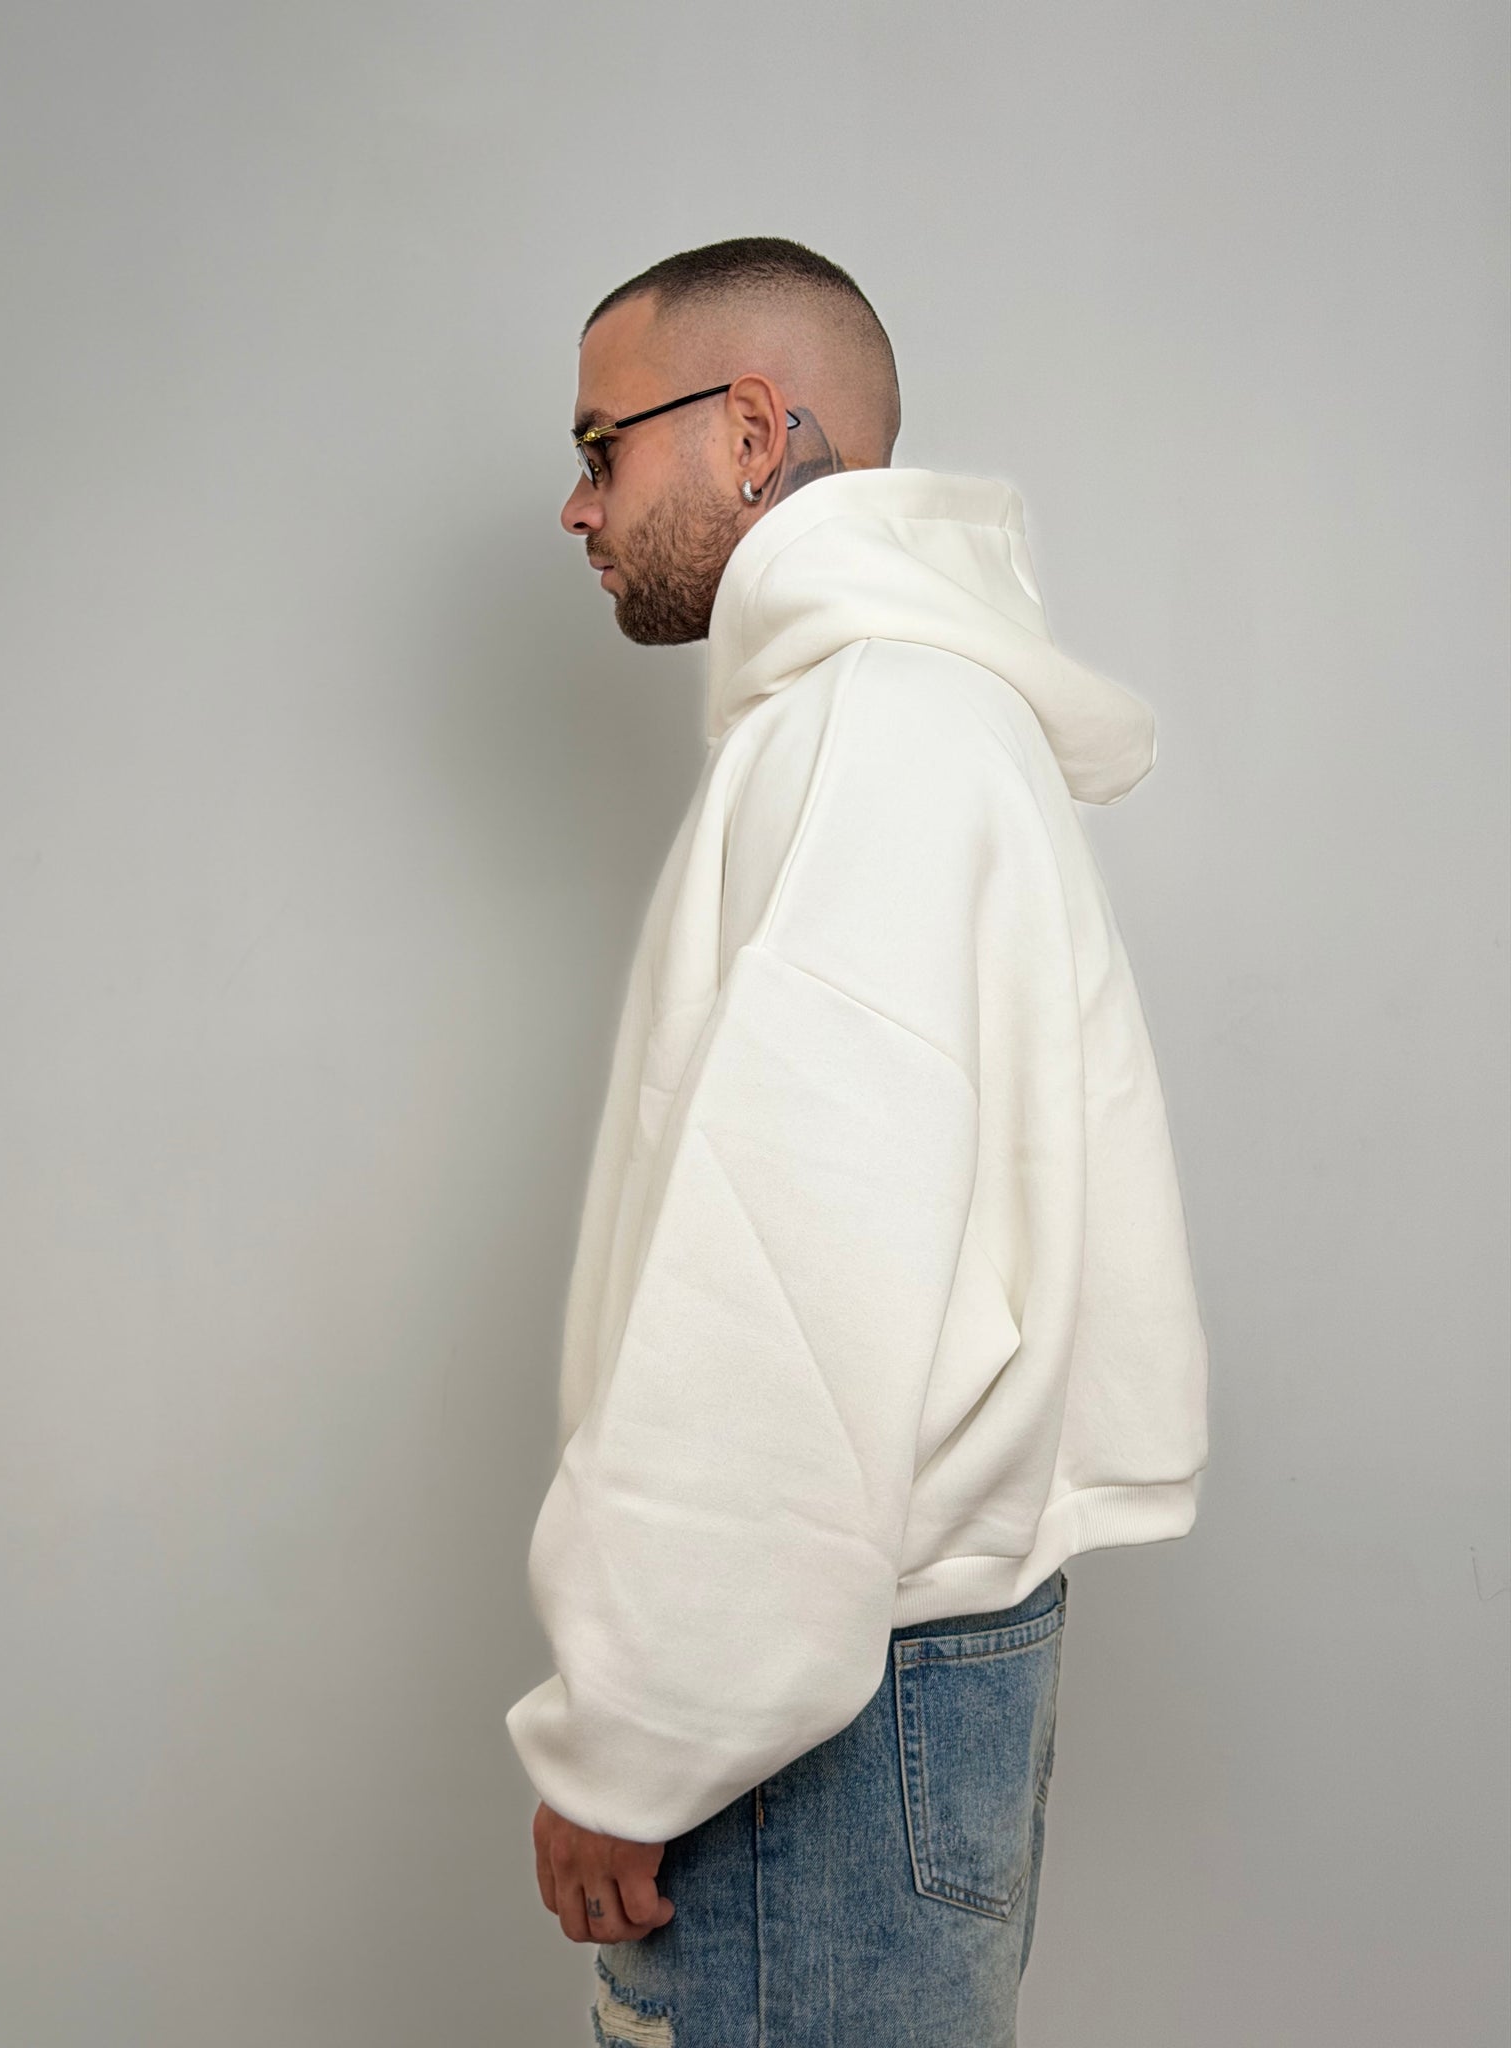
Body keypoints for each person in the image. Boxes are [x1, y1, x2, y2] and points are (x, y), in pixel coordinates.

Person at [505, 235, 1210, 2047]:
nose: (577, 507)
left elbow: (788, 1291)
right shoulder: (918, 717)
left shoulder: (868, 733)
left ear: (753, 430)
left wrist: (632, 1741)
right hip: (893, 1684)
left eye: (599, 447)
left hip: (809, 1731)